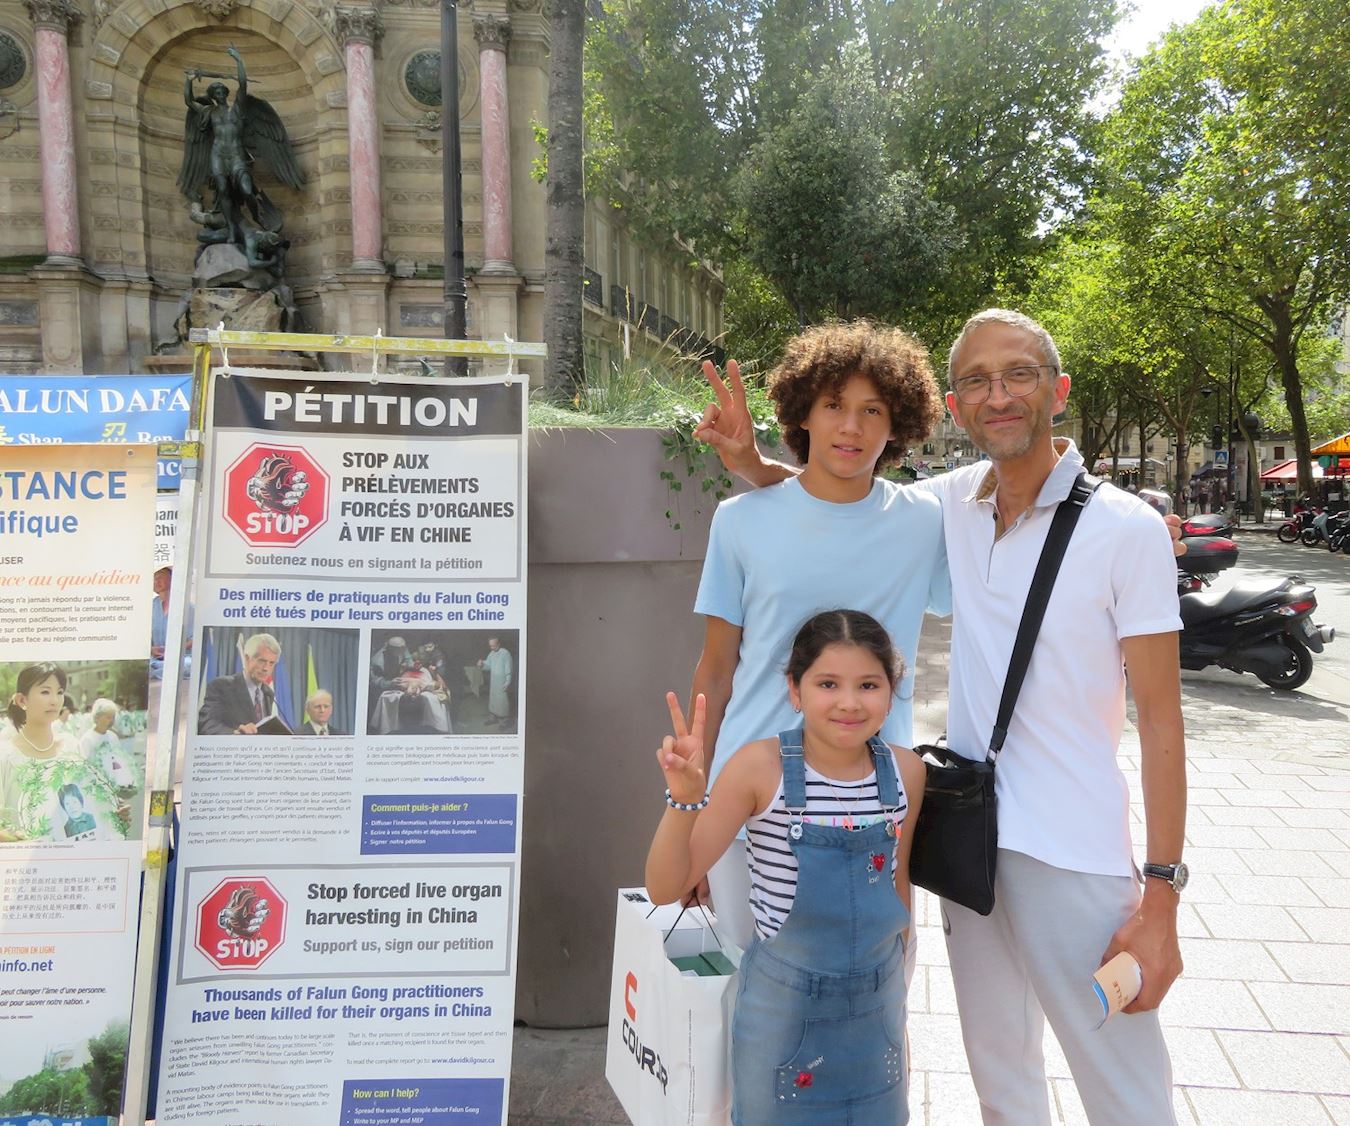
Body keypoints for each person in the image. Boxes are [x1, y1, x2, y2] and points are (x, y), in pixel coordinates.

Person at [699, 308, 1187, 1125]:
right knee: (994, 1076)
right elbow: (832, 494)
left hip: (1048, 841)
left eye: (1020, 374)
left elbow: (1165, 723)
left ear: (1058, 390)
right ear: (955, 407)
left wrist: (1163, 893)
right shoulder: (953, 504)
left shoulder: (1112, 527)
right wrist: (749, 462)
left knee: (1117, 1084)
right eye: (977, 381)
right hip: (950, 835)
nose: (1000, 395)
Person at [689, 321, 948, 951]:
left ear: (898, 423)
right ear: (803, 412)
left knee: (878, 985)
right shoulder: (739, 522)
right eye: (833, 405)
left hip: (874, 807)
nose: (851, 427)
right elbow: (715, 672)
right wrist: (693, 810)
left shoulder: (926, 521)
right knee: (749, 994)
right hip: (749, 801)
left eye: (872, 410)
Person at [647, 610, 926, 1124]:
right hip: (782, 1017)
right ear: (795, 690)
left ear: (892, 693)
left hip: (876, 1017)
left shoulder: (906, 771)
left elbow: (898, 884)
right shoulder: (758, 769)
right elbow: (665, 887)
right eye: (827, 684)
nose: (849, 702)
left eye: (868, 684)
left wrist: (897, 986)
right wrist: (683, 800)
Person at [0, 664, 125, 842]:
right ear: (22, 700)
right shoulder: (5, 756)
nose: (55, 700)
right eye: (45, 692)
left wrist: (111, 814)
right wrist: (22, 842)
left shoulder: (71, 745)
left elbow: (87, 800)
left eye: (59, 692)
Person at [198, 633, 281, 735]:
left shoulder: (268, 693)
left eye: (271, 663)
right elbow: (206, 724)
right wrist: (235, 734)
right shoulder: (221, 686)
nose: (266, 668)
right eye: (262, 661)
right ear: (247, 658)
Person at [79, 698, 136, 791]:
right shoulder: (87, 739)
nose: (111, 721)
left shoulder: (113, 737)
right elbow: (84, 767)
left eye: (113, 717)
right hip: (94, 787)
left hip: (112, 786)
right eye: (108, 717)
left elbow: (118, 761)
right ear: (97, 717)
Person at [478, 637, 513, 729]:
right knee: (493, 700)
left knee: (502, 702)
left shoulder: (505, 653)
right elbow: (488, 666)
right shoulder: (491, 654)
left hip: (502, 681)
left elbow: (508, 668)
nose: (492, 648)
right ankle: (493, 718)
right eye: (490, 646)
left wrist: (508, 681)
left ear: (498, 644)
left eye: (493, 646)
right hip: (494, 682)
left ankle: (504, 722)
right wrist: (481, 664)